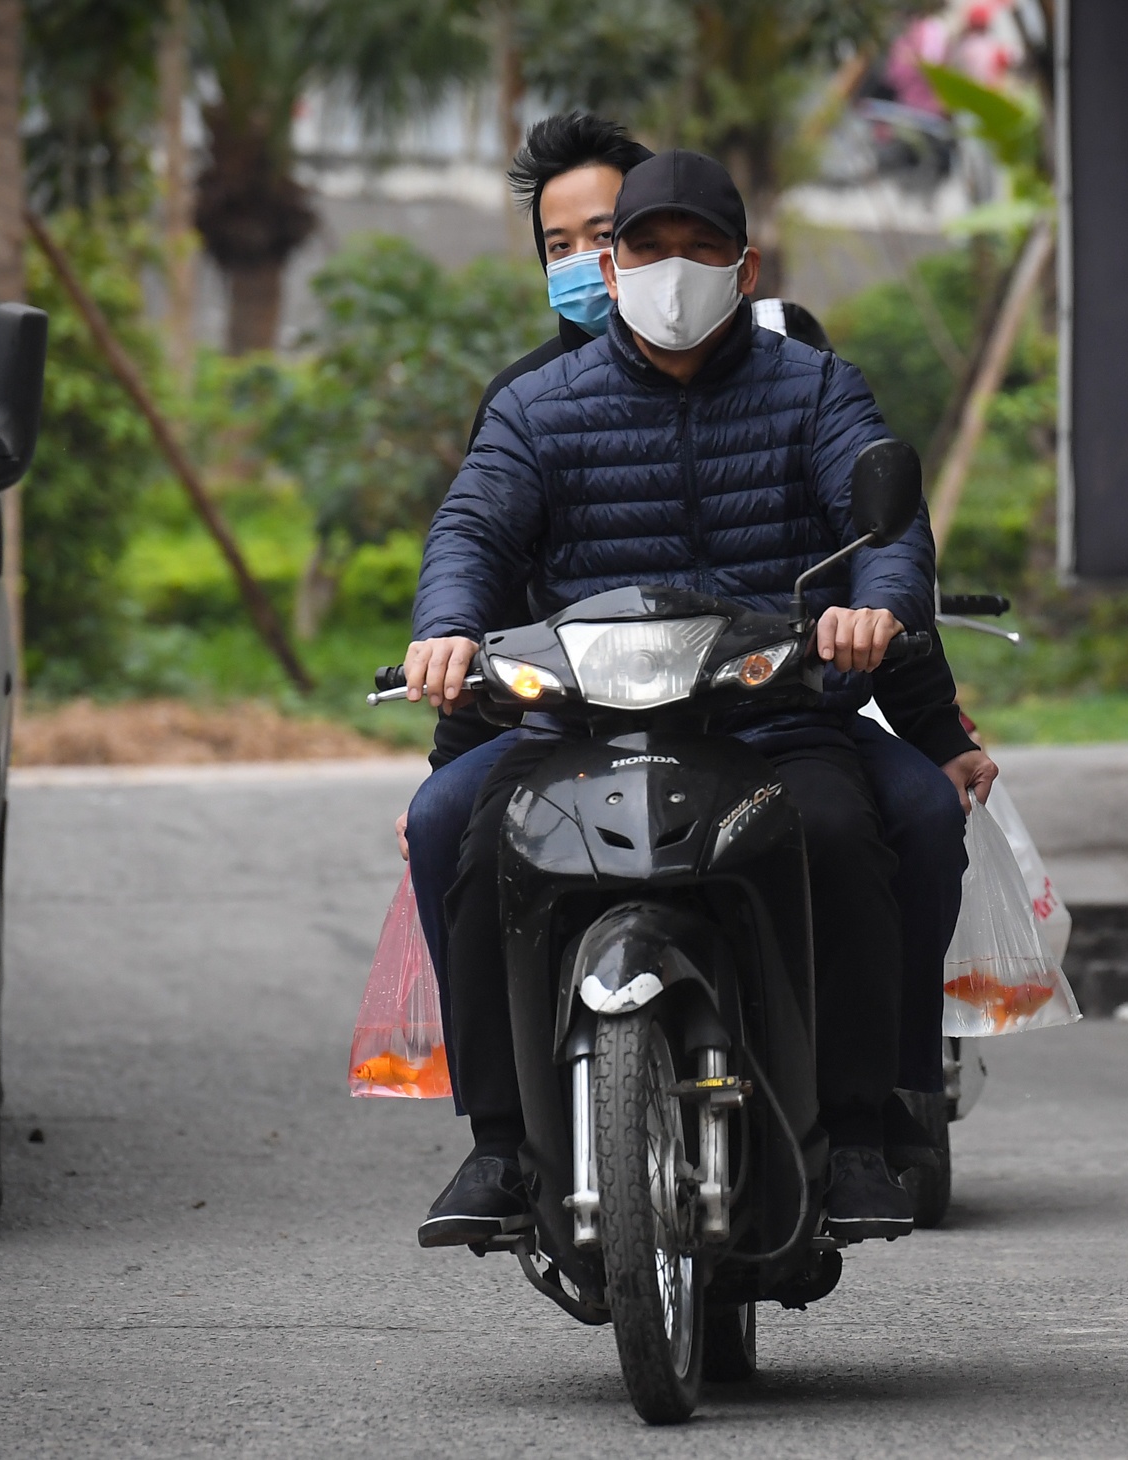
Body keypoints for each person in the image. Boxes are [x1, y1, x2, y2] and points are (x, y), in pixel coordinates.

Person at [397, 114, 995, 1109]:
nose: (667, 272)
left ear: (743, 268)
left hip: (776, 716)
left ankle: (870, 1117)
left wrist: (877, 620)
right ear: (613, 265)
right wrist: (445, 629)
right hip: (583, 725)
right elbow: (472, 533)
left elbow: (884, 523)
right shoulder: (535, 406)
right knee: (449, 824)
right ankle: (498, 1134)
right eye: (640, 249)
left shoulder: (814, 386)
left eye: (697, 249)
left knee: (873, 829)